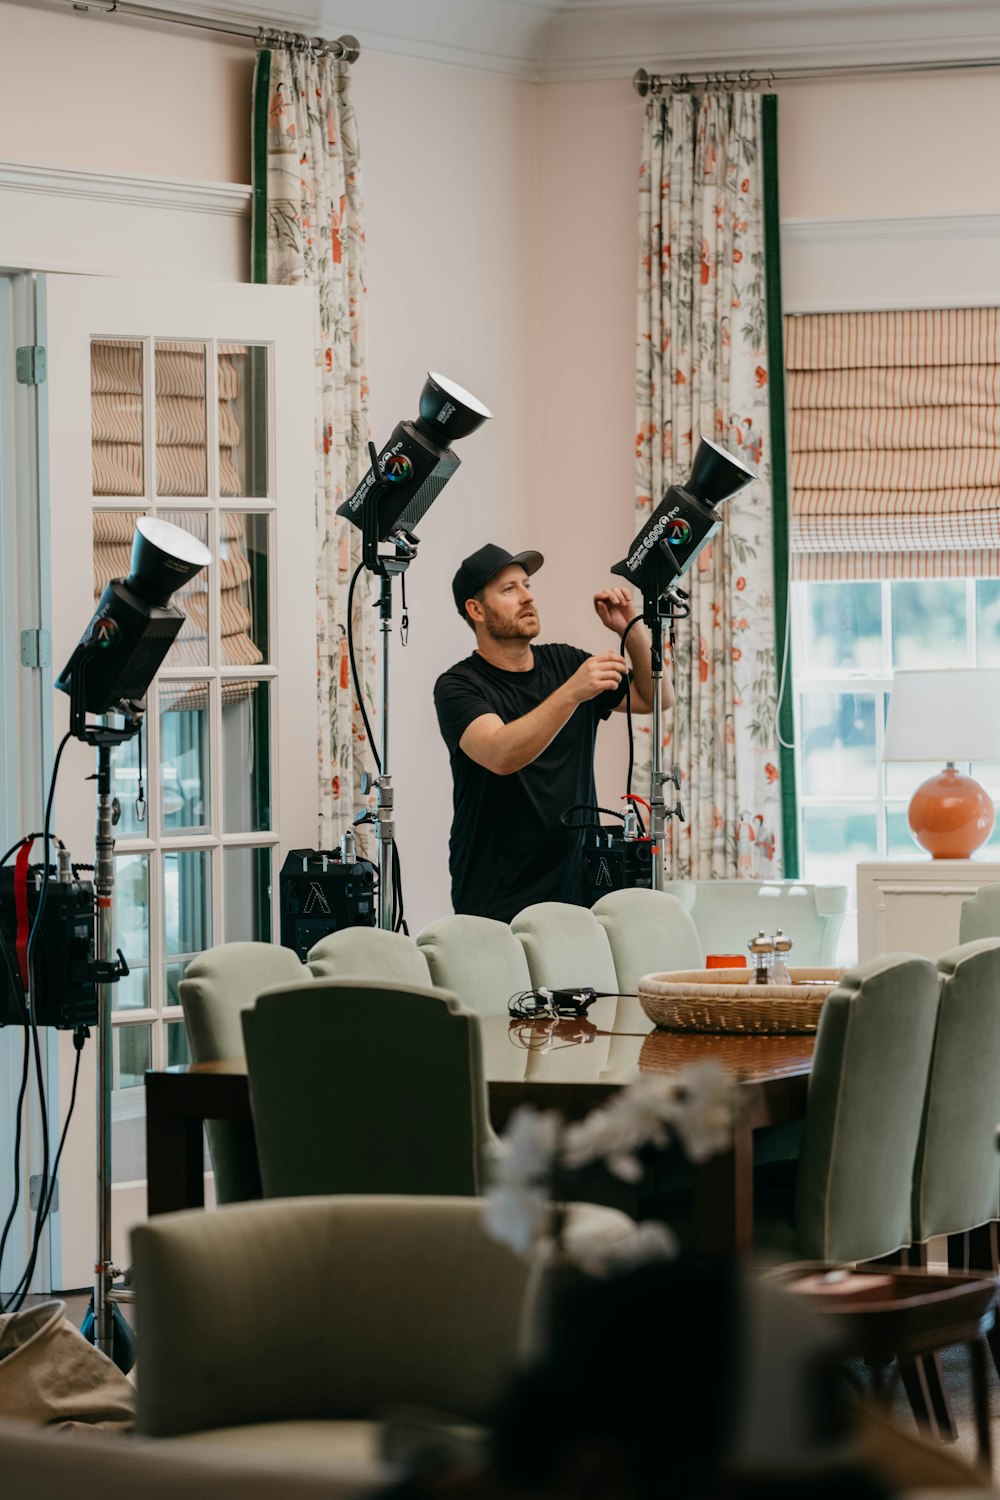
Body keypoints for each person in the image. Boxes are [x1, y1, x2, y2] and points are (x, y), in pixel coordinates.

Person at [433, 543, 664, 923]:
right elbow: (500, 754)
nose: (527, 597)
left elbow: (655, 697)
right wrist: (573, 692)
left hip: (578, 891)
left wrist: (631, 628)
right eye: (509, 590)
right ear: (476, 609)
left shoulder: (566, 661)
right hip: (496, 898)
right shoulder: (459, 686)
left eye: (526, 585)